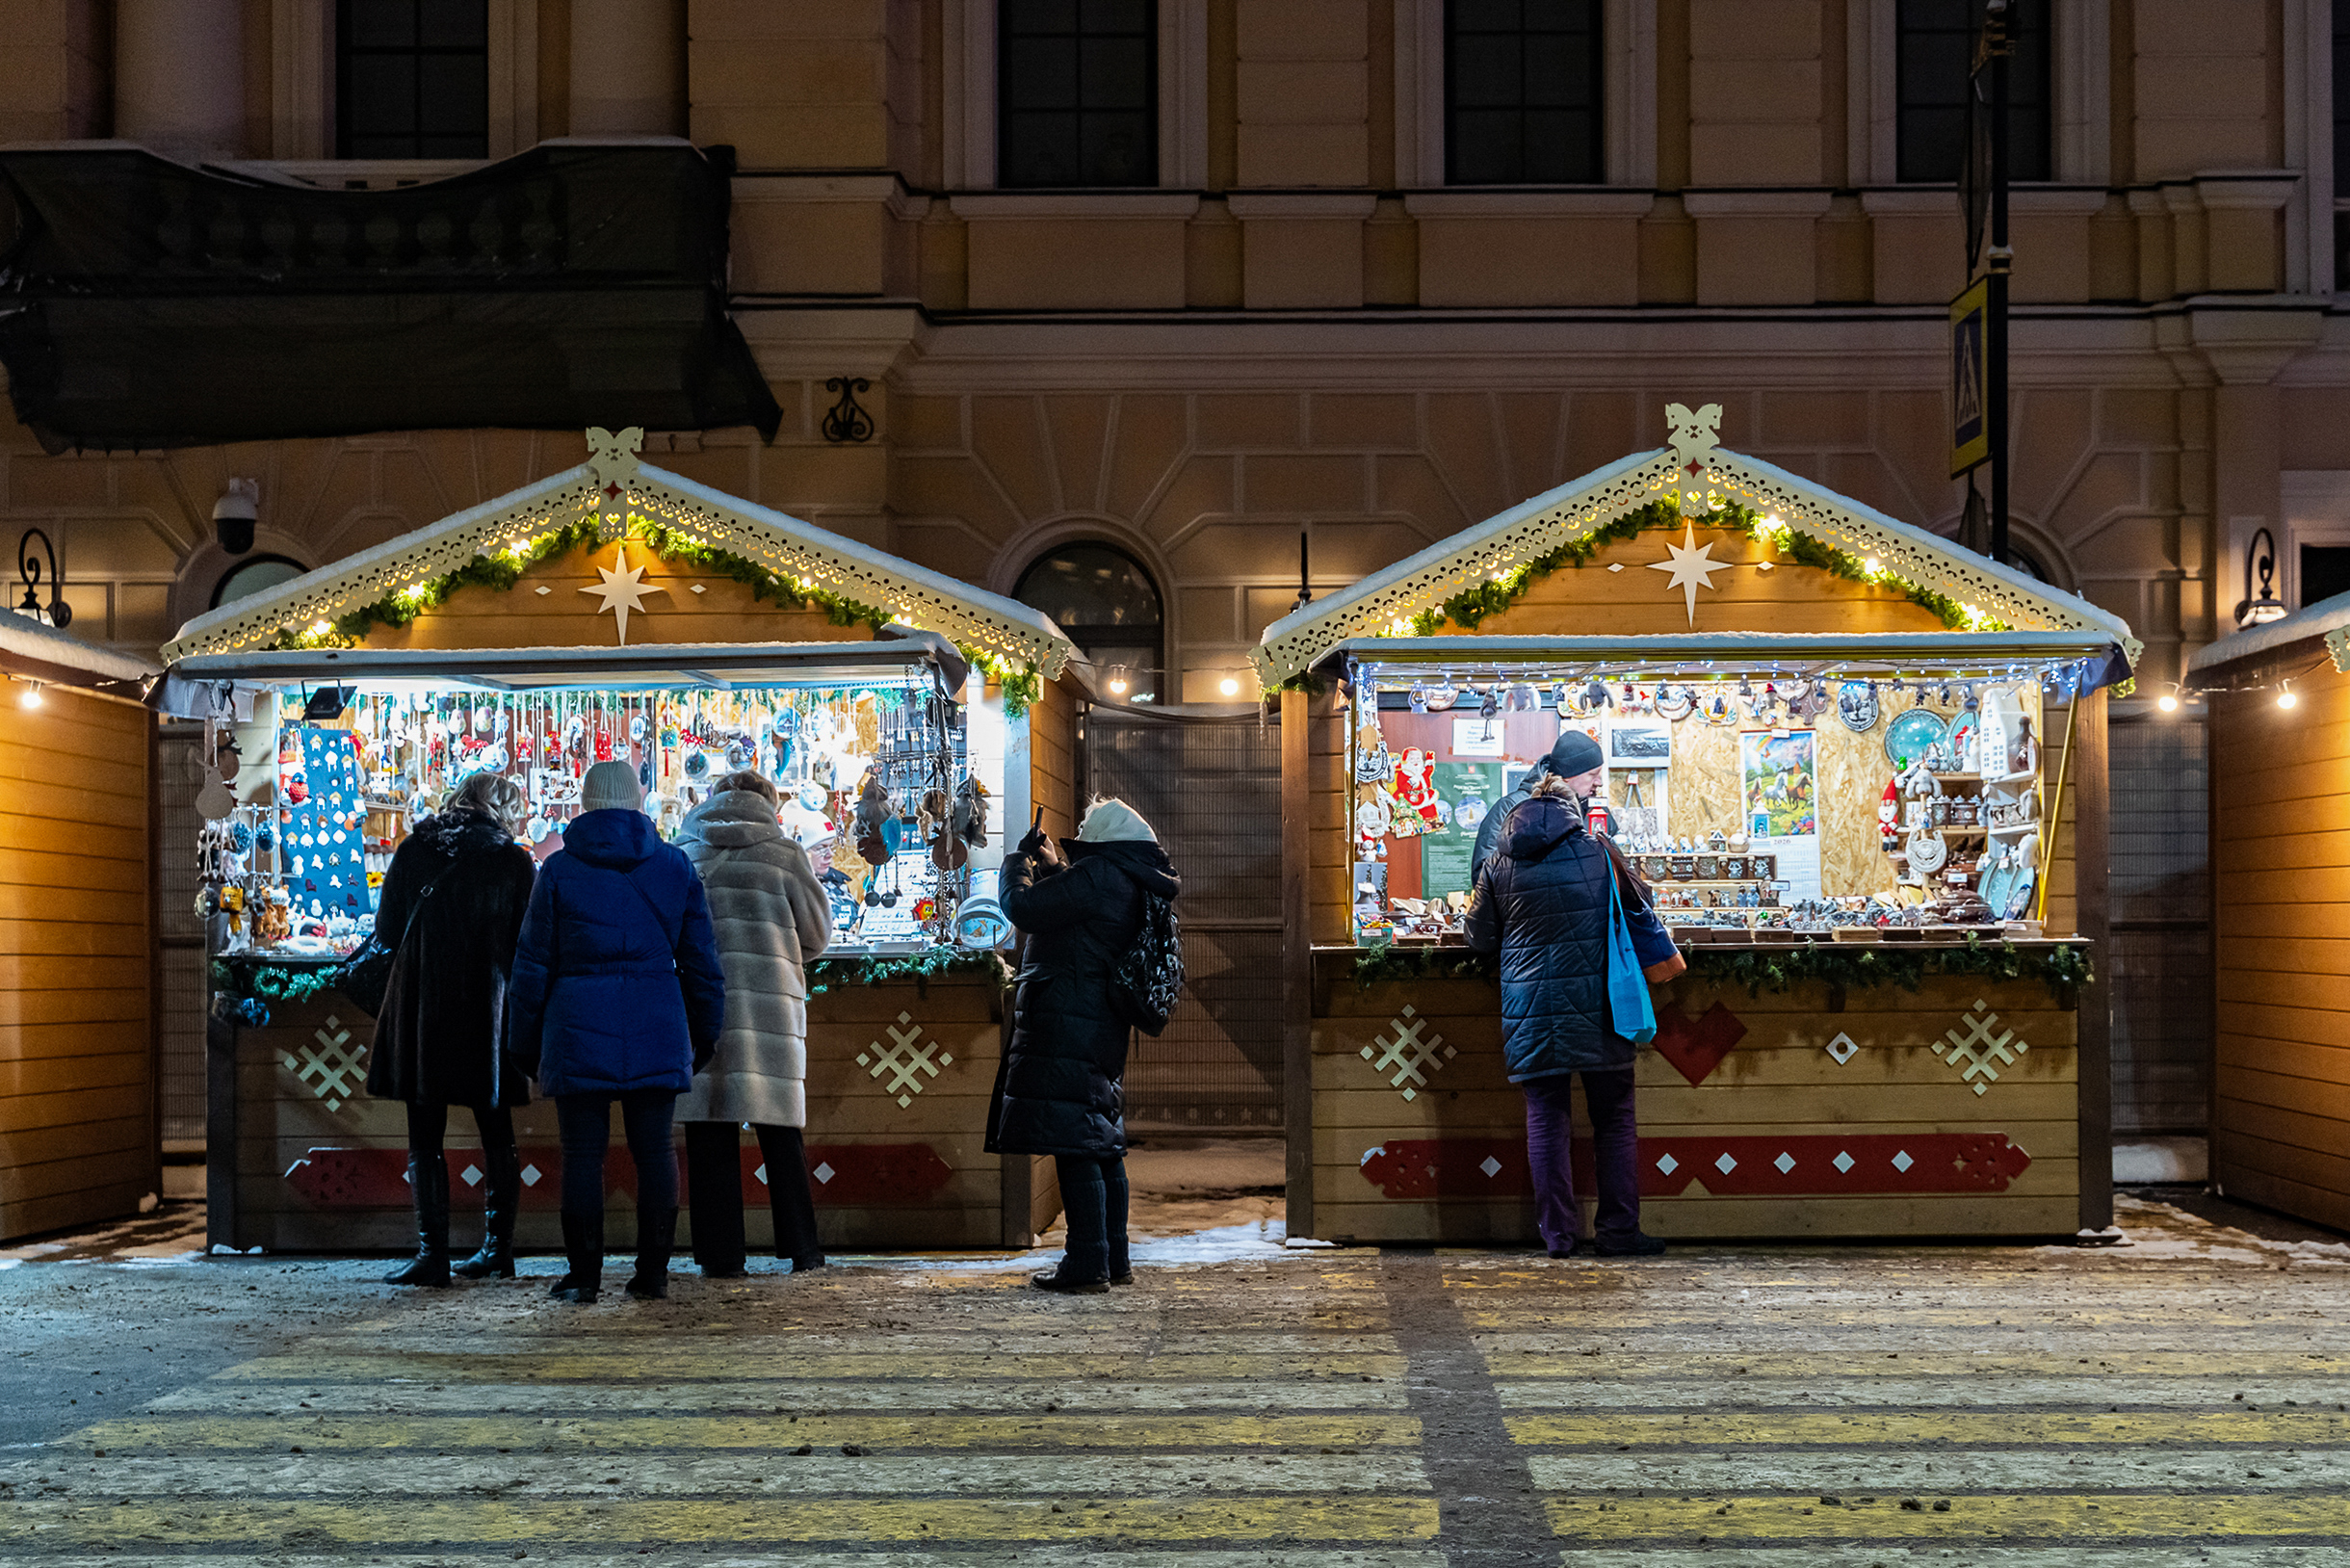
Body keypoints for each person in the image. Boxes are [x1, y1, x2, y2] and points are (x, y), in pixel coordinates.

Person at [509, 760, 726, 1303]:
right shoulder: (675, 867)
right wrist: (703, 1034)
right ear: (638, 802)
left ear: (585, 803)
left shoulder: (559, 870)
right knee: (655, 1152)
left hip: (576, 1027)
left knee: (582, 1155)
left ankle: (583, 1277)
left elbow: (532, 964)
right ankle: (652, 1274)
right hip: (657, 1024)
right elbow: (702, 963)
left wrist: (523, 1041)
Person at [1465, 772, 1685, 1259]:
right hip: (1602, 1005)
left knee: (1546, 1119)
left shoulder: (1499, 862)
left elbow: (1479, 937)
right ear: (1573, 812)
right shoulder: (1600, 851)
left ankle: (1558, 1237)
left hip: (1530, 1011)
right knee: (1614, 1119)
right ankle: (1618, 1232)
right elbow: (1640, 907)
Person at [988, 797, 1181, 1294]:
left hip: (1067, 1021)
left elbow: (1024, 908)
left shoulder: (1098, 877)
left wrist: (1016, 864)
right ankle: (1113, 1258)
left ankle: (1087, 1263)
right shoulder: (1126, 878)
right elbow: (1074, 914)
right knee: (1102, 1143)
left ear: (1101, 842)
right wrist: (1053, 867)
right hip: (1098, 1024)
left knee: (1075, 1143)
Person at [365, 771, 539, 1287]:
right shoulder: (513, 860)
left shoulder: (416, 848)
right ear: (504, 810)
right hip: (488, 1008)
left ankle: (432, 1254)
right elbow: (526, 940)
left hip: (423, 1002)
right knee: (496, 1131)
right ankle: (498, 1249)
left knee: (425, 1132)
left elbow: (387, 930)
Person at [671, 770, 834, 1277]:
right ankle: (802, 1249)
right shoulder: (784, 854)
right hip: (768, 1009)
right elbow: (817, 935)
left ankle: (721, 1257)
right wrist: (781, 951)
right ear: (767, 802)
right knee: (781, 1134)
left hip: (703, 1009)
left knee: (708, 1135)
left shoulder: (682, 854)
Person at [1470, 730, 1607, 885]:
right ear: (1569, 775)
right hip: (1525, 908)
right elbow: (1482, 875)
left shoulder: (1596, 812)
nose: (1599, 782)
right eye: (1592, 774)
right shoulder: (1510, 808)